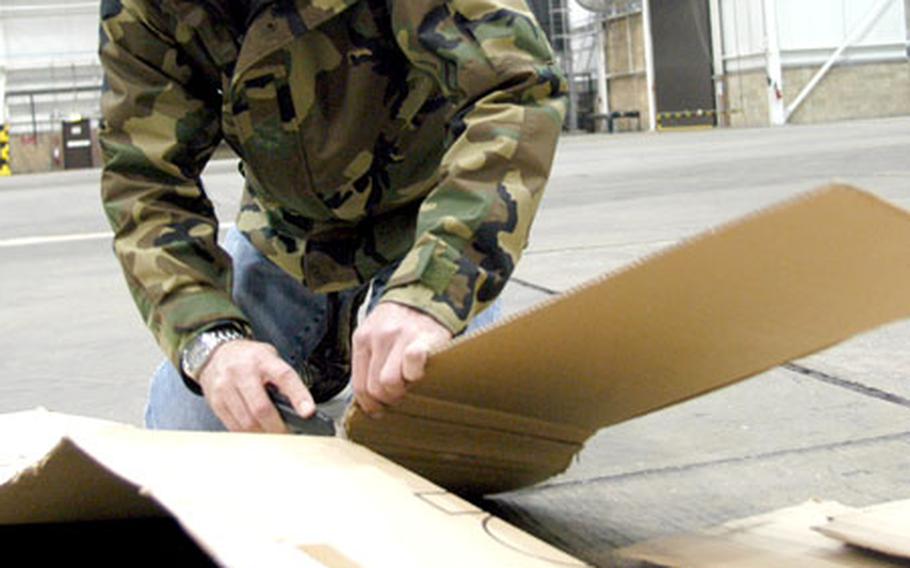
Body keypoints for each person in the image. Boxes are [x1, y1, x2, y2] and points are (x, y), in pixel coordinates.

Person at [98, 0, 566, 433]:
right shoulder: (148, 7)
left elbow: (516, 86)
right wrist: (209, 340)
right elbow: (144, 177)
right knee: (190, 431)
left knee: (451, 434)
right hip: (287, 232)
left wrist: (434, 291)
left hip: (428, 217)